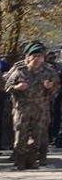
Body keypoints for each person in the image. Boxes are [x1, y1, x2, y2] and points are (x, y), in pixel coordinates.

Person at [4, 41, 59, 170]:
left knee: (36, 136)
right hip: (22, 108)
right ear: (28, 57)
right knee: (21, 136)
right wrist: (17, 87)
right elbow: (7, 87)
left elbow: (56, 88)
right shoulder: (20, 70)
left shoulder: (48, 71)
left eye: (39, 56)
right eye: (33, 56)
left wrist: (50, 87)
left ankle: (32, 160)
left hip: (40, 108)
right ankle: (20, 161)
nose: (36, 59)